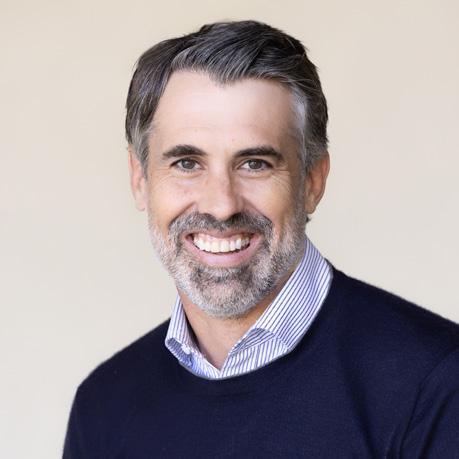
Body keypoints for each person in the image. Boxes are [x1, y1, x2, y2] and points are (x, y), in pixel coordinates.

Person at [63, 20, 459, 458]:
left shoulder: (438, 385)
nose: (221, 206)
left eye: (254, 164)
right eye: (187, 164)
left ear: (312, 181)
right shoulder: (102, 409)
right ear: (140, 180)